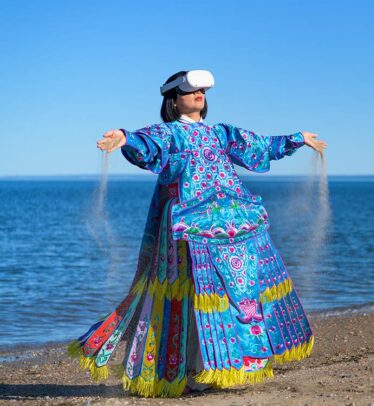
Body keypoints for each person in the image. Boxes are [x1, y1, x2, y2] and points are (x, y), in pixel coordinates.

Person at [68, 70, 327, 398]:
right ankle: (190, 372)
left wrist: (297, 139)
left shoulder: (220, 133)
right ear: (173, 101)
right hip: (185, 231)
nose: (199, 95)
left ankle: (220, 366)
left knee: (233, 293)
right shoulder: (169, 134)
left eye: (202, 91)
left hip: (229, 229)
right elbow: (146, 145)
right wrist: (124, 137)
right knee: (189, 296)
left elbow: (259, 146)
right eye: (191, 91)